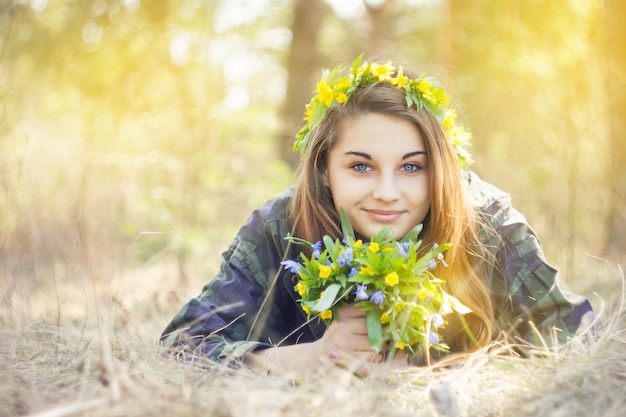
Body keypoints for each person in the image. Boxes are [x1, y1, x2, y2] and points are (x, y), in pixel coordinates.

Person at [160, 56, 594, 376]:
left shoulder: (487, 224)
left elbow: (579, 342)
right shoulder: (280, 227)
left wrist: (445, 368)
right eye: (360, 166)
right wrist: (304, 358)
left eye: (411, 167)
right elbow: (182, 346)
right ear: (325, 171)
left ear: (439, 169)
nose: (387, 193)